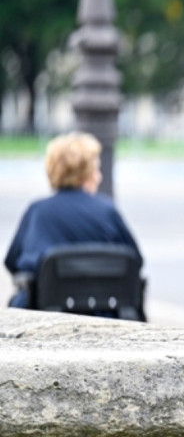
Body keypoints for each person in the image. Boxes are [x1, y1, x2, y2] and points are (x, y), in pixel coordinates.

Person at [6, 132, 141, 309]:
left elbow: (12, 262)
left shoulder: (37, 211)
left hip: (48, 314)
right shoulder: (107, 211)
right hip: (103, 312)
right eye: (96, 169)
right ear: (87, 174)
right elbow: (134, 262)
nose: (99, 176)